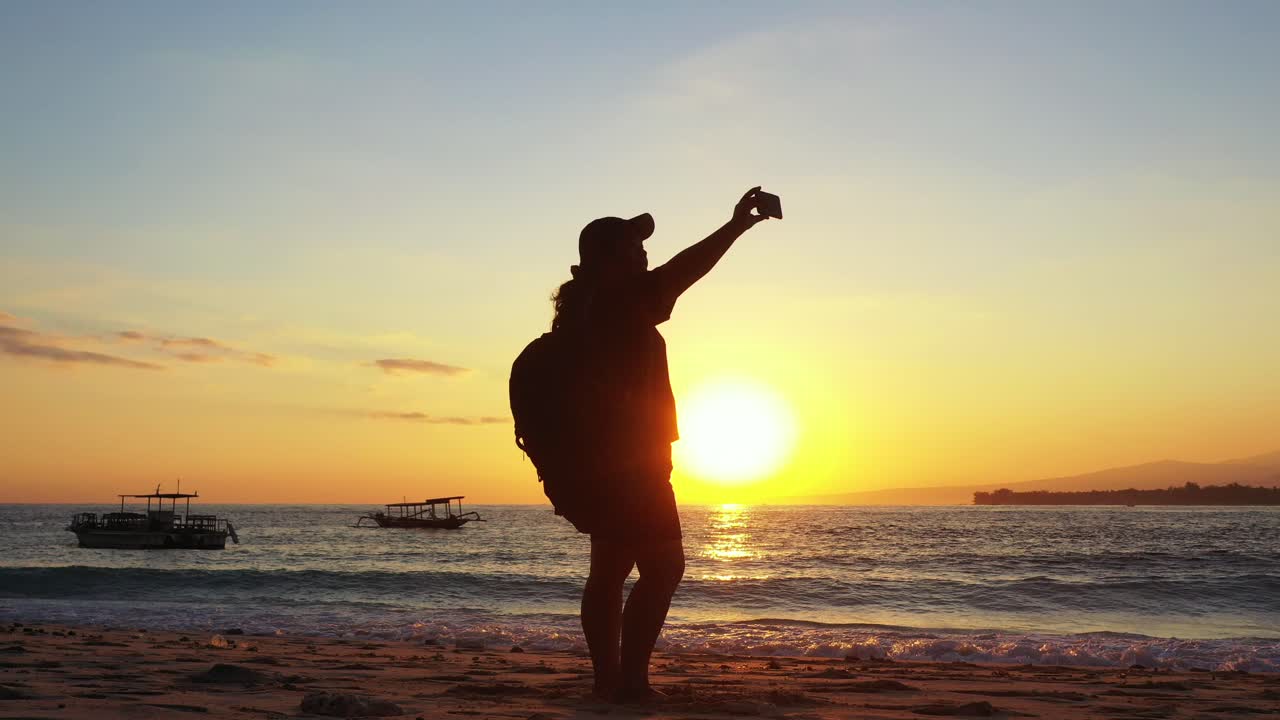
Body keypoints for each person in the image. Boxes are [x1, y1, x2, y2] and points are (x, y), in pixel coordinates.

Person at [547, 187, 773, 702]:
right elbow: (686, 269)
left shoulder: (587, 311)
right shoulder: (620, 304)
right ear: (609, 262)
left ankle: (609, 681)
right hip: (632, 467)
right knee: (664, 567)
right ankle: (629, 682)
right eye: (634, 248)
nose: (645, 255)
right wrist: (737, 225)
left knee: (608, 570)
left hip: (603, 466)